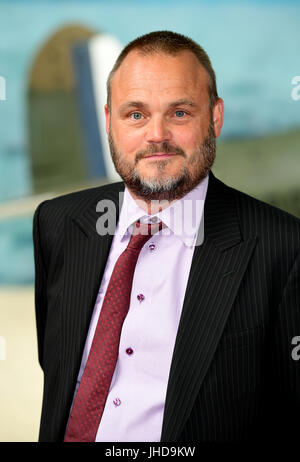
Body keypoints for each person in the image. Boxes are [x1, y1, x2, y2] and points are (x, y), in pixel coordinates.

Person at [33, 30, 300, 443]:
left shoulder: (285, 247)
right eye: (135, 114)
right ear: (108, 121)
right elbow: (55, 364)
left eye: (179, 113)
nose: (156, 135)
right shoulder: (57, 223)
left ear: (215, 117)